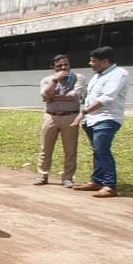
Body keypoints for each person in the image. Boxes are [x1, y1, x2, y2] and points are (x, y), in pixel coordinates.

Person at [72, 46, 129, 198]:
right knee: (97, 150)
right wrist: (85, 115)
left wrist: (83, 112)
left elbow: (106, 98)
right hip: (92, 119)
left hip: (107, 118)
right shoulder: (98, 75)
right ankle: (97, 181)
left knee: (102, 150)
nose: (90, 63)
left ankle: (110, 185)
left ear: (105, 61)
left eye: (93, 61)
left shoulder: (119, 74)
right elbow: (90, 97)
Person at [35, 55, 86, 187]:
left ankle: (67, 178)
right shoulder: (47, 80)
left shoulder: (78, 78)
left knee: (70, 149)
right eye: (59, 66)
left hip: (70, 116)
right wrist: (55, 80)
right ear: (53, 67)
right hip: (50, 116)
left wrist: (53, 98)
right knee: (45, 148)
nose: (63, 68)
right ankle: (42, 175)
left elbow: (75, 96)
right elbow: (45, 94)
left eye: (66, 65)